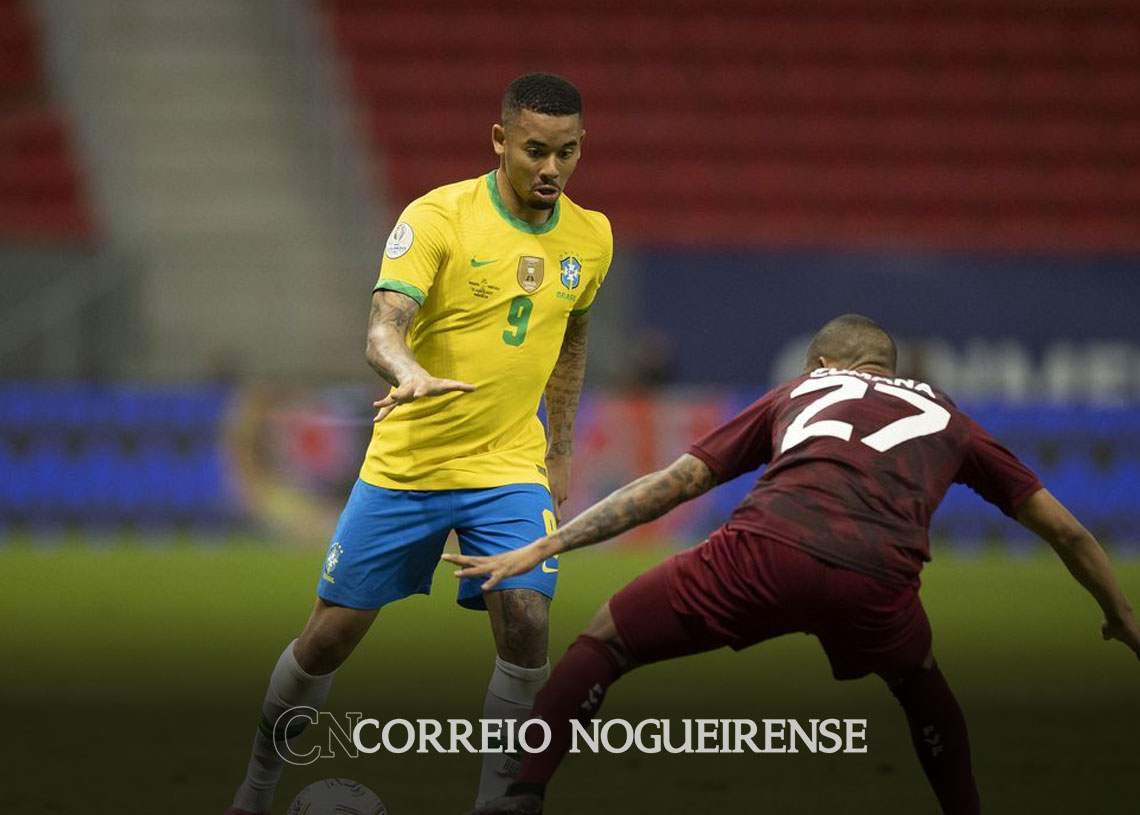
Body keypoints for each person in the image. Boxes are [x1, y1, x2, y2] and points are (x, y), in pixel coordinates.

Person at [445, 314, 1140, 815]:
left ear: (821, 367)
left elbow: (676, 483)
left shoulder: (797, 393)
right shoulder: (949, 415)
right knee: (921, 683)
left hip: (764, 551)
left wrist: (548, 542)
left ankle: (521, 793)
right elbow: (1067, 530)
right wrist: (1122, 614)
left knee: (604, 640)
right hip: (877, 580)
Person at [226, 72, 613, 814]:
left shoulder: (591, 236)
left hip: (508, 464)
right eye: (535, 150)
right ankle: (256, 789)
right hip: (410, 461)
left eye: (566, 153)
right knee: (329, 637)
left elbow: (573, 338)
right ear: (500, 139)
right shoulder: (437, 217)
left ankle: (502, 802)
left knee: (529, 621)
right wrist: (407, 370)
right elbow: (382, 323)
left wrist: (560, 446)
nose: (551, 169)